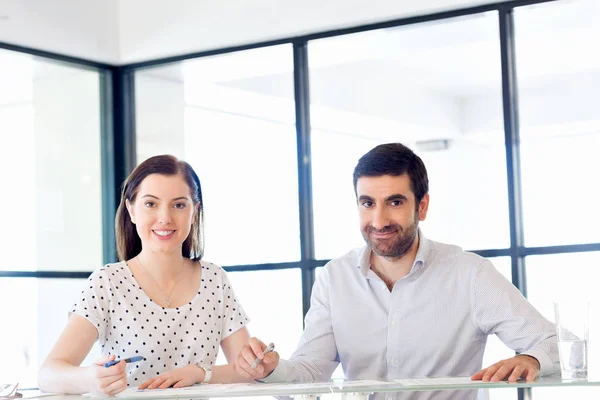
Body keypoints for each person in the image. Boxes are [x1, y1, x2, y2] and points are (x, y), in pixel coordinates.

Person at [235, 143, 559, 384]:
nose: (379, 220)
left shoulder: (469, 274)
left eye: (395, 202)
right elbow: (310, 369)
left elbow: (553, 343)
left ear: (423, 206)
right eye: (367, 203)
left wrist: (530, 357)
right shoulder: (334, 278)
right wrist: (273, 368)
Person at [38, 155, 251, 395]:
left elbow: (247, 370)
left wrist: (199, 372)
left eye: (179, 205)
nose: (165, 218)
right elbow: (48, 374)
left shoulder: (215, 280)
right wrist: (91, 378)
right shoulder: (107, 282)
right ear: (131, 210)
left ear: (194, 212)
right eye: (151, 204)